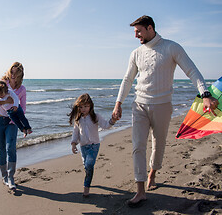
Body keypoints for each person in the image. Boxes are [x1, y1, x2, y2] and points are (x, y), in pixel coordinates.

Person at [112, 15, 219, 207]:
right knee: (138, 146)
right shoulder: (136, 53)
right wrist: (118, 103)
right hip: (140, 104)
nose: (136, 35)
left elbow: (192, 71)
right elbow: (127, 80)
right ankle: (140, 191)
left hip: (163, 105)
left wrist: (205, 93)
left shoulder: (171, 47)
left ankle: (153, 172)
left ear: (150, 28)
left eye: (138, 31)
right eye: (135, 32)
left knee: (158, 143)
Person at [0, 62, 28, 190]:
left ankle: (11, 177)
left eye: (16, 73)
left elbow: (23, 108)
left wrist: (16, 119)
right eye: (12, 72)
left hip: (11, 122)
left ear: (21, 74)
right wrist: (7, 101)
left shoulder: (22, 89)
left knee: (11, 148)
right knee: (1, 150)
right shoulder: (1, 83)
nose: (13, 75)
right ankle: (4, 177)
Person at [69, 93, 117, 197]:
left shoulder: (95, 117)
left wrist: (112, 120)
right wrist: (73, 144)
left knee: (89, 165)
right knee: (86, 167)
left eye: (86, 106)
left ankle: (86, 188)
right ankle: (88, 177)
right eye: (81, 107)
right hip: (83, 147)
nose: (84, 109)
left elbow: (105, 125)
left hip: (94, 145)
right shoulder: (78, 119)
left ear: (90, 105)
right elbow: (76, 133)